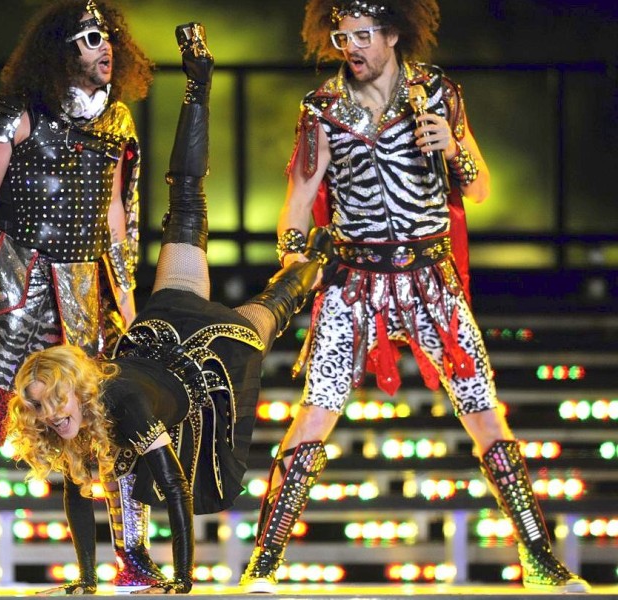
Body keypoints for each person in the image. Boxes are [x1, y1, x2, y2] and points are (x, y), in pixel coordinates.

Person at [239, 0, 589, 594]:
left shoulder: (439, 94)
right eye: (343, 36)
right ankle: (263, 564)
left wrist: (454, 148)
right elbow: (299, 198)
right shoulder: (321, 110)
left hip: (431, 279)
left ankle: (538, 557)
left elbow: (477, 190)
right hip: (355, 280)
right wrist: (293, 263)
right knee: (314, 413)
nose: (352, 47)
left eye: (364, 35)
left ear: (394, 34)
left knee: (484, 409)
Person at [7, 22, 332, 595]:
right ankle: (309, 267)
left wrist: (183, 584)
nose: (52, 415)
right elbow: (78, 496)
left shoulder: (120, 402)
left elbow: (177, 492)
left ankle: (199, 88)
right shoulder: (65, 422)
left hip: (201, 351)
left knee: (193, 210)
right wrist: (84, 582)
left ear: (77, 389)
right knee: (266, 300)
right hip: (166, 350)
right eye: (41, 407)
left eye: (55, 401)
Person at [0, 0, 159, 594]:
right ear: (61, 48)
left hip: (86, 290)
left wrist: (127, 293)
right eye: (90, 38)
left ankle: (135, 558)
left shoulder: (118, 122)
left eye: (109, 39)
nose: (105, 49)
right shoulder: (10, 113)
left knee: (109, 425)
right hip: (15, 285)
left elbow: (117, 215)